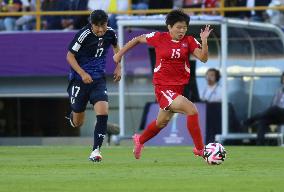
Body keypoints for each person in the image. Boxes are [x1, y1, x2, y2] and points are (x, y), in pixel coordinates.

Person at [113, 9, 212, 159]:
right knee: (192, 110)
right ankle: (200, 149)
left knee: (161, 122)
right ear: (169, 27)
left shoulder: (190, 41)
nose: (182, 31)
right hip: (163, 87)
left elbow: (203, 58)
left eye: (184, 27)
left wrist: (204, 41)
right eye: (178, 27)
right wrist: (120, 53)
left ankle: (140, 140)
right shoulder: (159, 38)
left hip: (178, 89)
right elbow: (138, 39)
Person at [66, 9, 121, 162]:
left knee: (103, 112)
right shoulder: (83, 34)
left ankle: (96, 151)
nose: (100, 29)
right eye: (97, 26)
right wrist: (82, 73)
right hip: (79, 79)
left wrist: (118, 66)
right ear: (91, 24)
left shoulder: (111, 33)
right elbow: (69, 56)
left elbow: (117, 49)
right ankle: (73, 116)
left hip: (98, 80)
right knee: (78, 122)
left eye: (103, 25)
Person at [243, 72, 284, 145]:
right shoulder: (280, 90)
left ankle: (250, 120)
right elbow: (273, 103)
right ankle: (260, 144)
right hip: (277, 115)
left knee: (273, 109)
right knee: (263, 120)